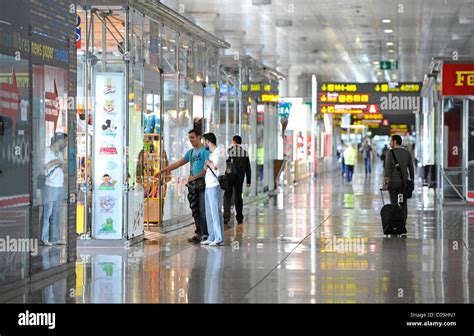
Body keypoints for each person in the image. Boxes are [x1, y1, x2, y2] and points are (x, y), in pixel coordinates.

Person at [157, 129, 209, 243]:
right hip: (193, 185)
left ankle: (205, 234)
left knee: (202, 209)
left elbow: (207, 168)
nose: (190, 140)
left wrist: (195, 177)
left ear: (199, 137)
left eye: (192, 137)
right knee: (195, 209)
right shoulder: (190, 152)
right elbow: (178, 163)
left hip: (202, 183)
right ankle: (198, 233)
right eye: (189, 137)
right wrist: (163, 170)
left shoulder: (205, 151)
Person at [381, 135, 415, 226]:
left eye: (390, 141)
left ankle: (396, 224)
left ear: (395, 141)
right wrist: (412, 181)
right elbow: (411, 168)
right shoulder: (407, 153)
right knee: (403, 204)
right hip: (403, 184)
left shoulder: (390, 153)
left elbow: (387, 169)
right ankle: (403, 223)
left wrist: (385, 184)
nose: (390, 143)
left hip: (393, 184)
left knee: (394, 204)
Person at [200, 133, 227, 246]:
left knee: (215, 212)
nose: (203, 144)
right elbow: (207, 167)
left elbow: (215, 166)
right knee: (209, 213)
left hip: (215, 186)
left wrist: (208, 162)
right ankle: (211, 237)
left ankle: (219, 238)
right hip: (208, 185)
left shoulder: (219, 152)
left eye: (203, 141)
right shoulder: (212, 153)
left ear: (208, 141)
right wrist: (207, 163)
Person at [41, 132, 68, 246]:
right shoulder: (48, 151)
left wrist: (63, 164)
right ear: (59, 141)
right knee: (47, 213)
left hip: (59, 185)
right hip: (50, 186)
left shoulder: (60, 153)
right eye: (65, 141)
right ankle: (44, 237)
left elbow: (62, 169)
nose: (66, 143)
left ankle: (55, 237)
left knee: (56, 213)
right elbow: (45, 166)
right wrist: (58, 162)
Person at [224, 135, 251, 225]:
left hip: (230, 177)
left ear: (234, 141)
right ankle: (239, 217)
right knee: (238, 197)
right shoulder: (245, 153)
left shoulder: (229, 151)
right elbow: (248, 168)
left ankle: (226, 217)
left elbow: (225, 164)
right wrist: (248, 180)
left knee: (227, 196)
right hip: (240, 178)